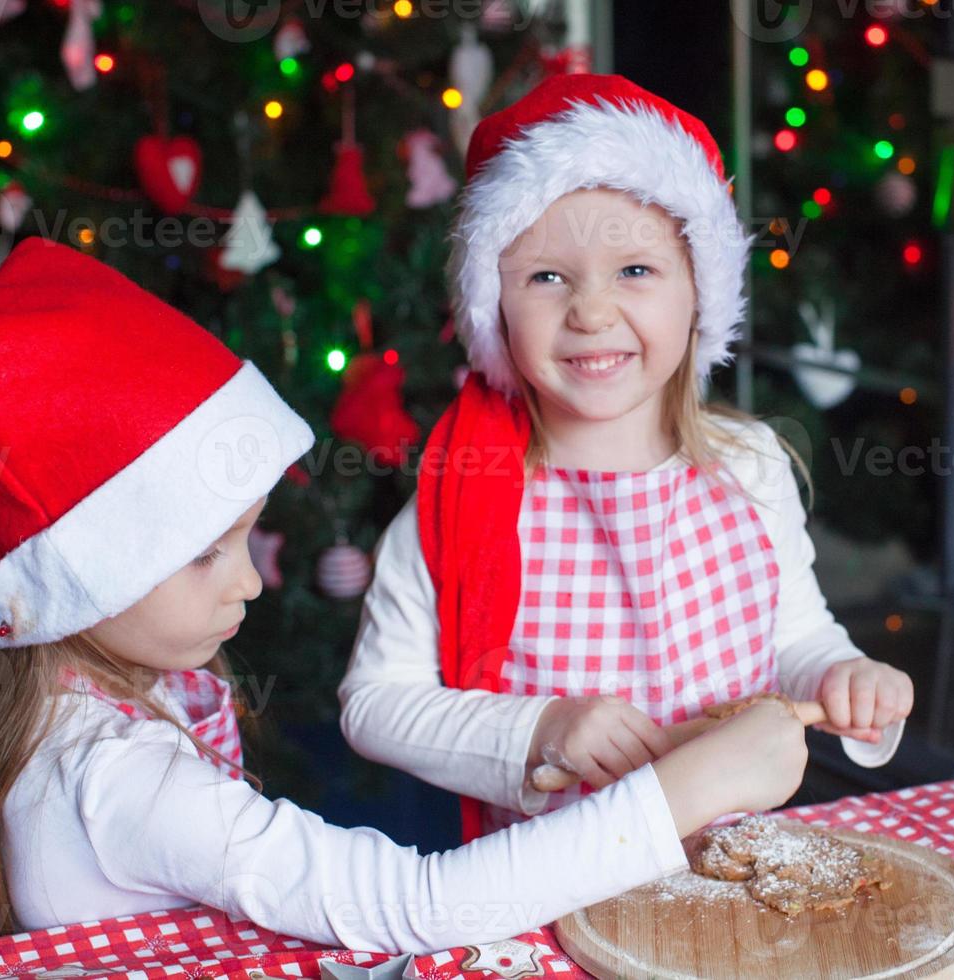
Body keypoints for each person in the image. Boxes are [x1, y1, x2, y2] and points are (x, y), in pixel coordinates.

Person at [0, 237, 810, 954]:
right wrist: (698, 782)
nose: (251, 579)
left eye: (247, 538)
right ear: (83, 578)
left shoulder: (55, 714)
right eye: (206, 553)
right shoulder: (118, 780)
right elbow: (417, 908)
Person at [340, 73, 915, 844]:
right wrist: (543, 728)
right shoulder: (468, 498)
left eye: (635, 271)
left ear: (698, 295)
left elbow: (795, 638)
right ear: (495, 310)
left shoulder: (748, 469)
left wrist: (843, 677)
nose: (591, 312)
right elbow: (376, 703)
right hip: (548, 889)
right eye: (546, 277)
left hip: (728, 882)